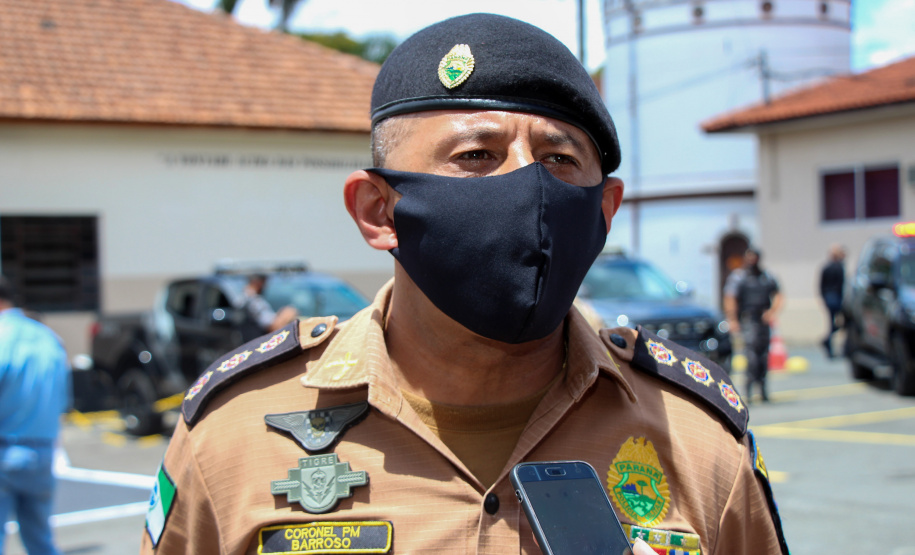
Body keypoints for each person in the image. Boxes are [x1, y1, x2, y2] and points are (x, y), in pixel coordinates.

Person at [142, 14, 788, 555]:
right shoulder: (231, 434)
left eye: (560, 159)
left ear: (604, 210)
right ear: (378, 211)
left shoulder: (699, 438)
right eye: (476, 155)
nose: (529, 185)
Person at [0, 277, 70, 555]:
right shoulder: (48, 337)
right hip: (43, 452)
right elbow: (64, 398)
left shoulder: (2, 335)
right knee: (41, 541)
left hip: (5, 449)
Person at [723, 248, 784, 403]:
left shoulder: (767, 276)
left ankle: (763, 390)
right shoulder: (739, 277)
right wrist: (732, 319)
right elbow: (730, 298)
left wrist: (772, 312)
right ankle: (749, 390)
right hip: (748, 320)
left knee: (763, 356)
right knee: (751, 357)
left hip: (763, 321)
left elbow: (778, 295)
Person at [819, 244, 846, 358]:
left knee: (832, 323)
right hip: (836, 297)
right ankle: (827, 341)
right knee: (842, 322)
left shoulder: (826, 267)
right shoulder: (839, 267)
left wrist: (824, 298)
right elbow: (841, 285)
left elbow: (821, 285)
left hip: (828, 297)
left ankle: (828, 342)